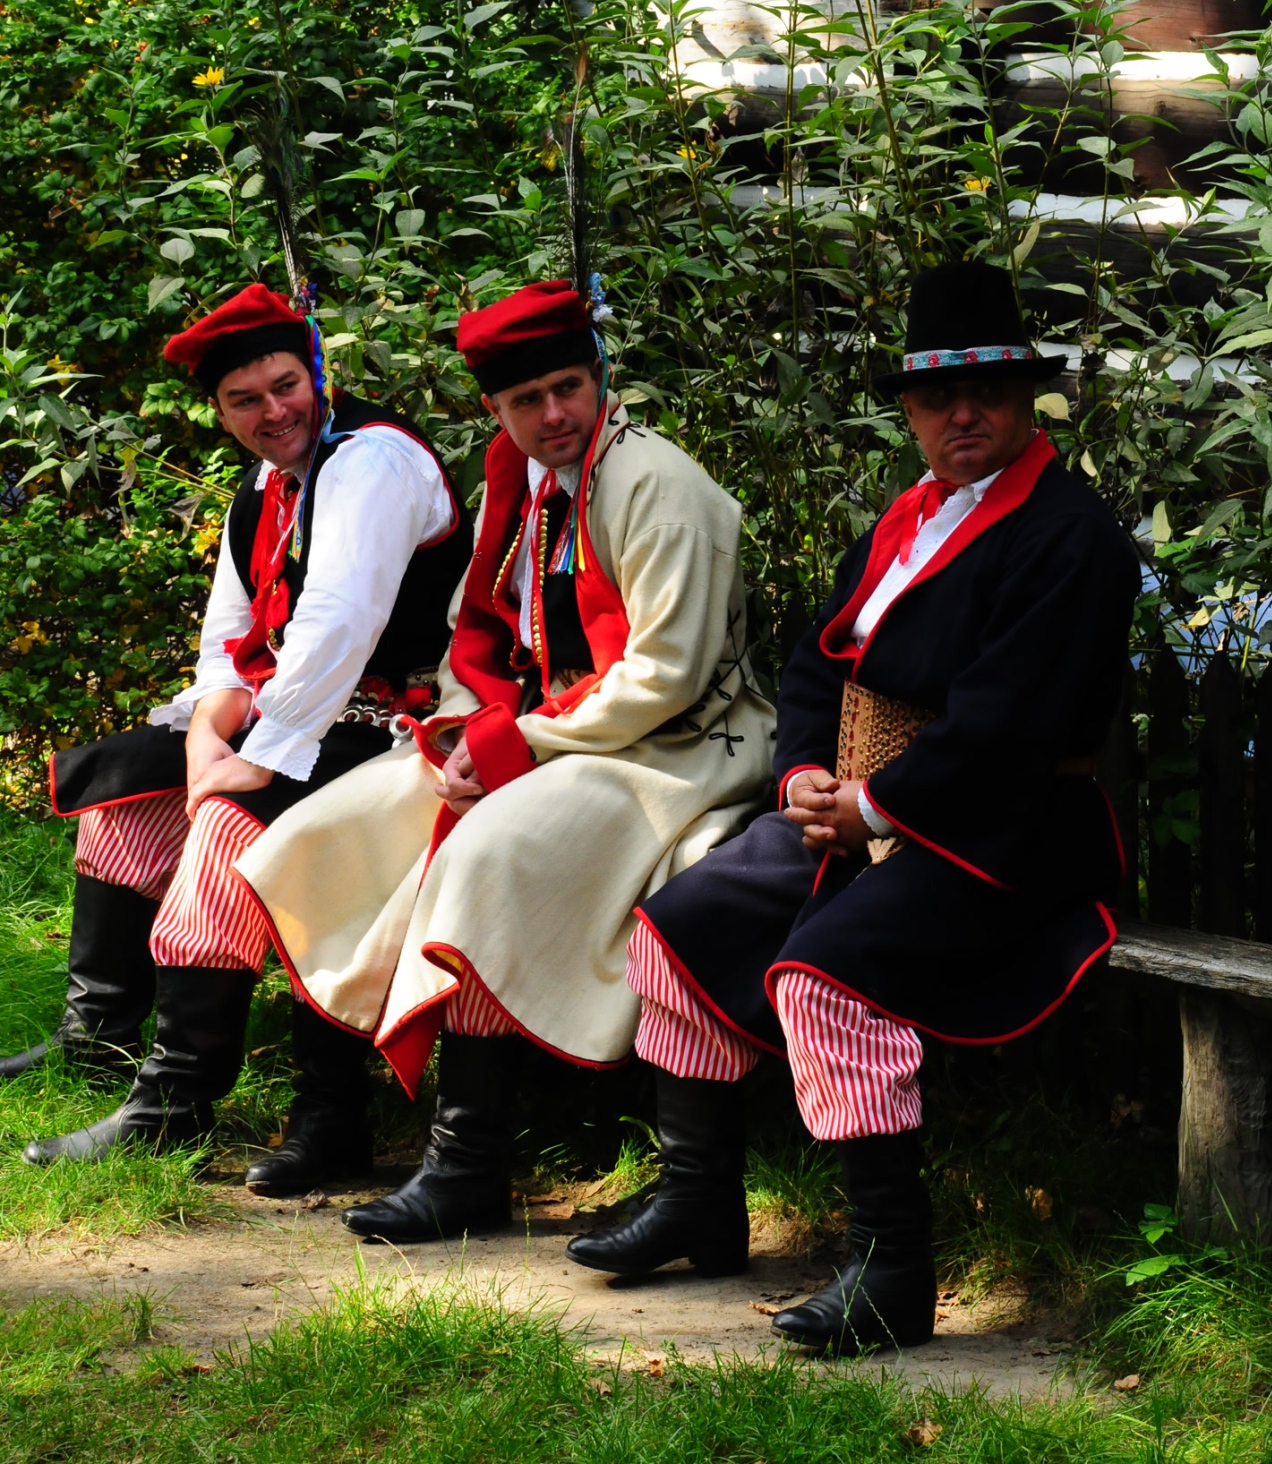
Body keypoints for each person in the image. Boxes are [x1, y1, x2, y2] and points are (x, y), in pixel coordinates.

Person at [566, 260, 1141, 1355]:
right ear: (911, 412)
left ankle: (892, 1271)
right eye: (936, 397)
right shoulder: (907, 517)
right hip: (866, 811)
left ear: (1026, 401)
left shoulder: (1068, 536)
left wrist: (874, 806)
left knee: (824, 975)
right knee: (677, 928)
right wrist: (799, 779)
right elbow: (816, 664)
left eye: (985, 392)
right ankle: (699, 1201)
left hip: (1007, 833)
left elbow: (1009, 723)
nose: (960, 415)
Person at [237, 278, 776, 1242]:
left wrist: (511, 745)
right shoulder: (518, 483)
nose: (552, 413)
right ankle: (332, 1113)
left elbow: (666, 676)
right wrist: (460, 732)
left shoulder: (656, 485)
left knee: (487, 852)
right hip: (553, 734)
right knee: (327, 824)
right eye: (526, 400)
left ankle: (466, 1164)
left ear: (598, 379)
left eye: (568, 387)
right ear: (496, 408)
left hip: (677, 749)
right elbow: (474, 638)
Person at [19, 282, 472, 1190]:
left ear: (317, 374)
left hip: (399, 727)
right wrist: (203, 745)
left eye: (286, 385)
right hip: (304, 717)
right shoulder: (263, 489)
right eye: (245, 400)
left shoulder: (371, 462)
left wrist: (252, 762)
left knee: (229, 826)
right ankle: (99, 1036)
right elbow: (229, 644)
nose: (274, 412)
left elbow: (338, 624)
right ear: (220, 413)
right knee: (123, 792)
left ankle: (181, 1099)